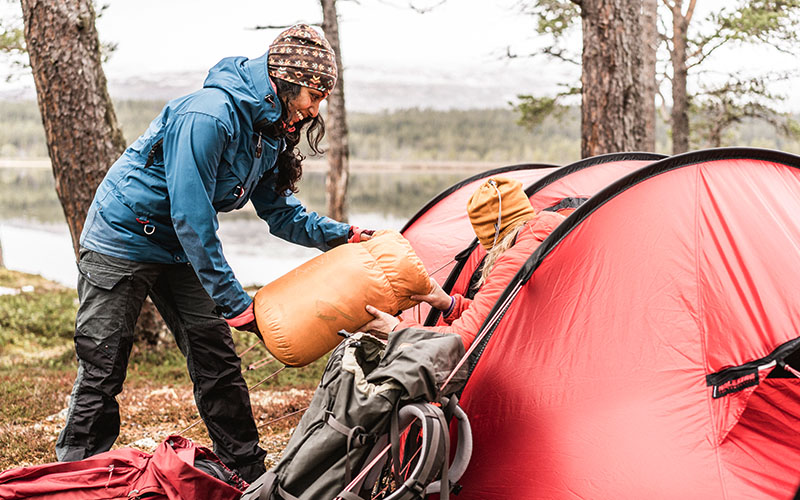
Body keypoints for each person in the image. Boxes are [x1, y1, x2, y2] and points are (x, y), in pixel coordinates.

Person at [56, 24, 372, 482]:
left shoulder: (269, 130)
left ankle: (247, 474)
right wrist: (233, 301)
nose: (314, 108)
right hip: (122, 239)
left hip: (179, 248)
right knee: (103, 366)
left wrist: (344, 236)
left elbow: (280, 213)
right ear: (284, 81)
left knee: (217, 359)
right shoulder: (210, 116)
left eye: (322, 98)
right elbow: (191, 215)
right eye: (312, 94)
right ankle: (73, 477)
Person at [363, 177, 565, 348]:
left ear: (493, 233)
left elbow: (464, 338)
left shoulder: (515, 260)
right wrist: (448, 303)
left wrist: (395, 330)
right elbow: (497, 315)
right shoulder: (552, 231)